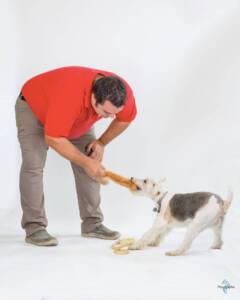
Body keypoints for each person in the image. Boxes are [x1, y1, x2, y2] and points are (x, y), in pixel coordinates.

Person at [15, 66, 137, 246]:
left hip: (77, 116)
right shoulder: (69, 96)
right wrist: (85, 162)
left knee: (91, 159)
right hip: (34, 109)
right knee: (33, 166)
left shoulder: (122, 93)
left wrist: (101, 143)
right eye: (106, 113)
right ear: (94, 98)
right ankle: (34, 227)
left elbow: (125, 119)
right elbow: (53, 138)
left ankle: (92, 224)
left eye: (114, 113)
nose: (110, 117)